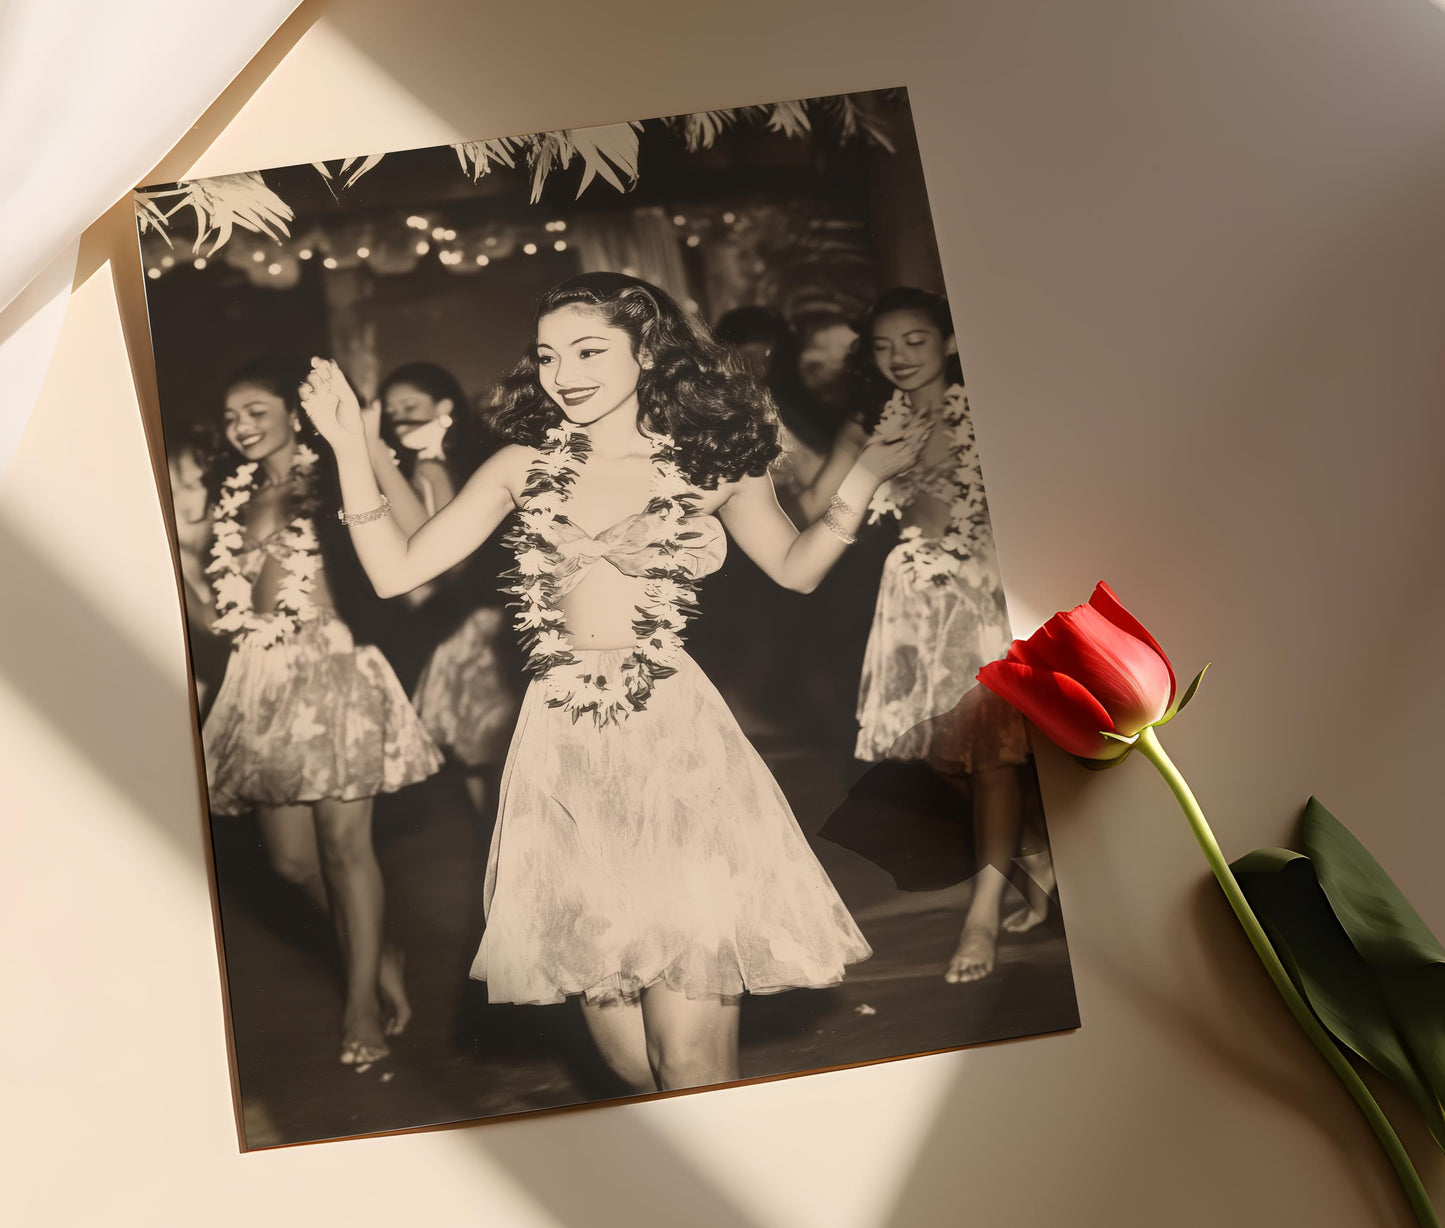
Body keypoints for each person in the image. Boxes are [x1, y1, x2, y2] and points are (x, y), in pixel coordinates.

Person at [298, 272, 926, 1093]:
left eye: (589, 350)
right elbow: (394, 573)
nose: (565, 372)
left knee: (690, 1061)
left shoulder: (712, 464)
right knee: (631, 1064)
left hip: (673, 744)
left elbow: (795, 570)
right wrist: (352, 450)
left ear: (647, 354)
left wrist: (865, 476)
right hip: (561, 754)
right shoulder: (524, 465)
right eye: (549, 355)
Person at [191, 356, 442, 1065]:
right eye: (232, 417)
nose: (240, 428)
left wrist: (364, 448)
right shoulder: (231, 495)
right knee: (292, 862)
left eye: (256, 414)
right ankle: (375, 946)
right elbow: (224, 613)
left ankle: (360, 1000)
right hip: (262, 678)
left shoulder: (329, 473)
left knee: (343, 848)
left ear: (291, 415)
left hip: (335, 669)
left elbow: (421, 530)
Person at [804, 288, 1051, 984]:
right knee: (945, 759)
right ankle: (1030, 851)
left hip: (985, 593)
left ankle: (981, 917)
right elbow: (810, 506)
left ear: (946, 341)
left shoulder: (989, 409)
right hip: (911, 601)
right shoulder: (870, 428)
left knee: (991, 760)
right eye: (882, 347)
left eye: (914, 341)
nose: (899, 358)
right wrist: (862, 458)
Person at [378, 361, 519, 814]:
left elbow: (428, 553)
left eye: (410, 405)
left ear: (443, 407)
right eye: (392, 409)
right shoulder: (447, 462)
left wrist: (379, 463)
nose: (399, 417)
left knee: (487, 758)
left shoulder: (435, 468)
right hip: (463, 622)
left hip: (474, 628)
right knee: (481, 763)